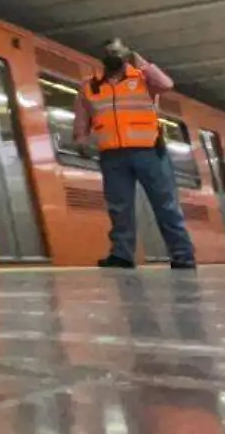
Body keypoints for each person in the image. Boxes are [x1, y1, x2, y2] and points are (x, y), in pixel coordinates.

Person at [75, 38, 196, 271]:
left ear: (126, 54)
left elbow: (166, 84)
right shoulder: (89, 86)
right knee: (119, 208)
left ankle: (183, 255)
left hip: (149, 151)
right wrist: (81, 138)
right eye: (108, 52)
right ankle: (121, 255)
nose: (113, 55)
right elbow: (82, 116)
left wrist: (140, 60)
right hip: (112, 155)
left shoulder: (143, 79)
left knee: (166, 205)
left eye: (117, 52)